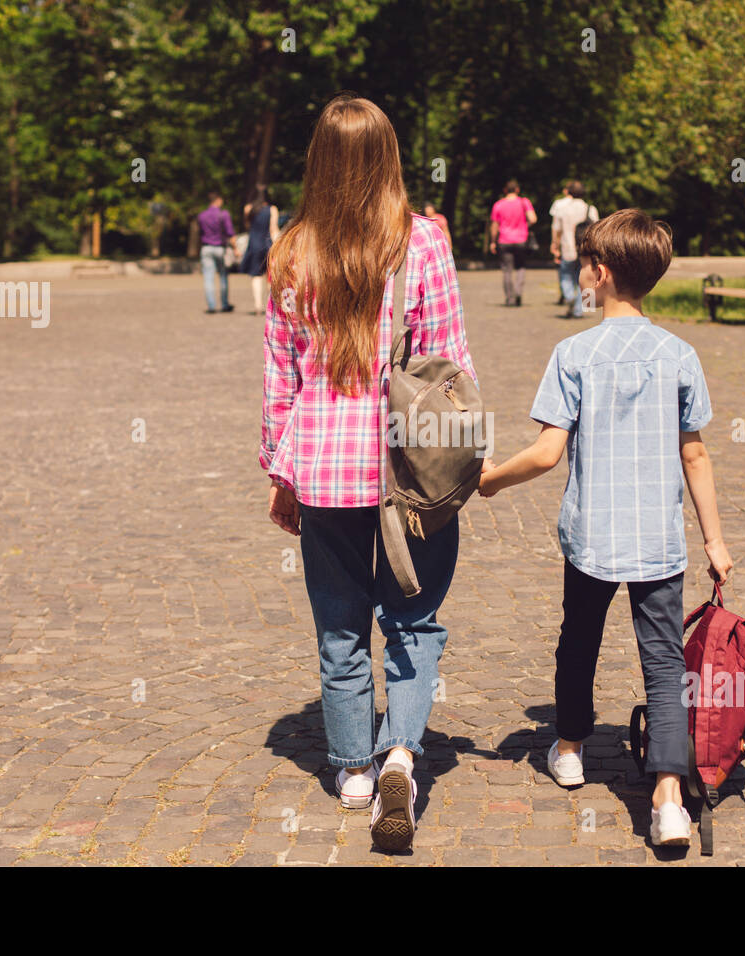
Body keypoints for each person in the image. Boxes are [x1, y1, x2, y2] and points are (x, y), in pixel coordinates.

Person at [261, 94, 479, 853]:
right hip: (407, 473)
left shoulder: (291, 254)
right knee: (414, 622)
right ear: (389, 157)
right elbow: (453, 365)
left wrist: (279, 473)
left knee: (340, 626)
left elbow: (279, 382)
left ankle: (353, 768)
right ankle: (399, 754)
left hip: (324, 474)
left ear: (318, 162)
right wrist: (466, 460)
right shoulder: (423, 243)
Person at [477, 209, 733, 848]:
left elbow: (545, 453)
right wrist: (715, 540)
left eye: (586, 263)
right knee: (664, 662)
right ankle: (669, 799)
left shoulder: (574, 354)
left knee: (578, 641)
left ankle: (569, 746)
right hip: (659, 542)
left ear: (601, 272)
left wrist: (489, 480)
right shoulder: (680, 354)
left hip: (592, 538)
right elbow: (694, 453)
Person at [550, 180, 598, 318]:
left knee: (565, 275)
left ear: (569, 192)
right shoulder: (591, 209)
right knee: (583, 278)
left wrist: (555, 245)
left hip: (568, 248)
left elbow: (557, 230)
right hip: (586, 250)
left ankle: (569, 296)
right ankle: (579, 310)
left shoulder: (562, 209)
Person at [488, 180, 536, 306]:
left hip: (504, 240)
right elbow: (533, 219)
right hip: (521, 239)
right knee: (520, 267)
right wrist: (525, 225)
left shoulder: (498, 205)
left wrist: (493, 242)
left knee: (507, 270)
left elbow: (494, 225)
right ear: (517, 190)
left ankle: (510, 298)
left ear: (505, 190)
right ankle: (518, 292)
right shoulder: (524, 202)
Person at [242, 185, 281, 314]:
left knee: (256, 276)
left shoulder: (248, 209)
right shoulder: (272, 209)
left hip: (254, 244)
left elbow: (248, 226)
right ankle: (272, 304)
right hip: (267, 244)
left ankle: (258, 304)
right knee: (270, 276)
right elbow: (273, 229)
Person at [198, 191, 236, 313]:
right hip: (220, 248)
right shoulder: (223, 214)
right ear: (218, 200)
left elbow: (201, 233)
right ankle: (224, 304)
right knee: (223, 276)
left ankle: (211, 305)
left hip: (206, 248)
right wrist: (235, 248)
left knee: (208, 277)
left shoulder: (202, 216)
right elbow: (230, 233)